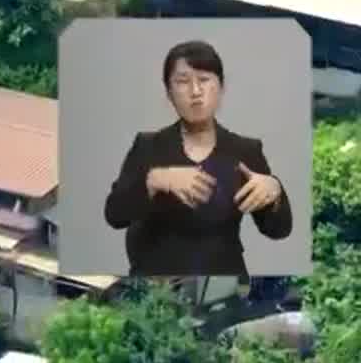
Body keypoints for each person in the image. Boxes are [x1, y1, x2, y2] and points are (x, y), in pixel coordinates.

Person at [104, 39, 292, 277]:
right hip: (156, 284)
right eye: (183, 82)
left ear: (221, 88)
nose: (195, 91)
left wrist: (274, 191)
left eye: (204, 80)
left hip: (224, 280)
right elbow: (115, 215)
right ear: (169, 93)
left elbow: (278, 230)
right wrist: (154, 179)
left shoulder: (245, 150)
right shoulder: (148, 146)